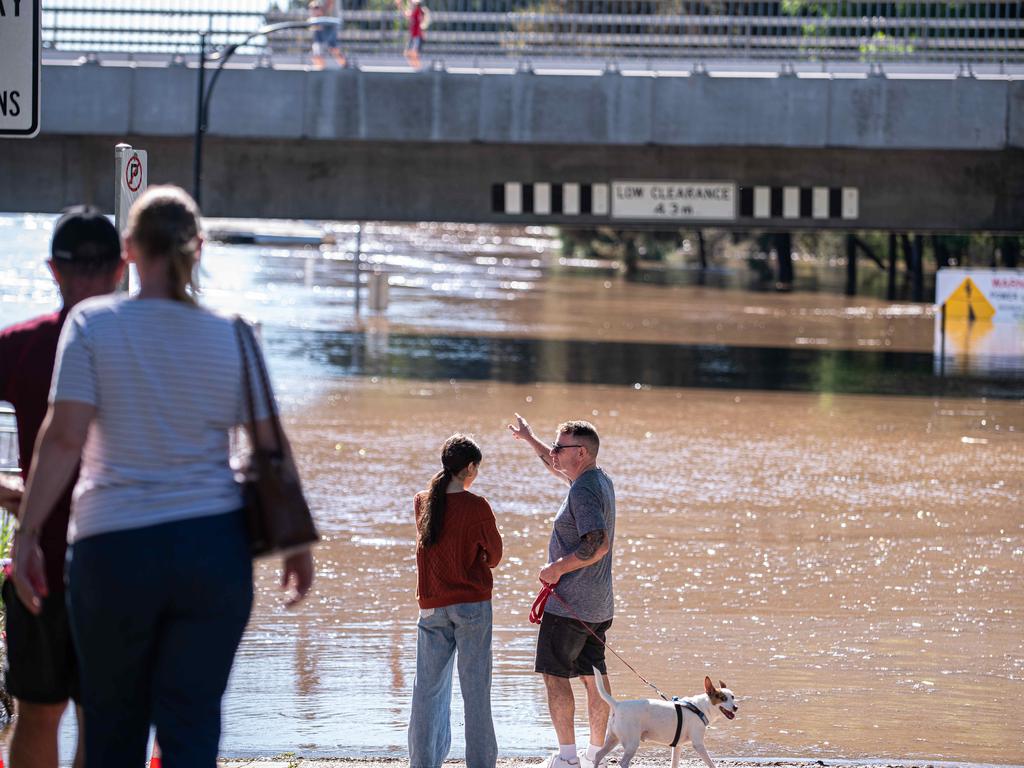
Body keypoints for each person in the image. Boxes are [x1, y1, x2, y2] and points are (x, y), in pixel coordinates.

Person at [10, 186, 315, 768]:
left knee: (111, 729)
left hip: (112, 549)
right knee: (192, 729)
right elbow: (272, 446)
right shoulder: (235, 332)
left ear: (128, 249)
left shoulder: (91, 325)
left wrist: (27, 536)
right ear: (197, 248)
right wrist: (297, 546)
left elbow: (64, 438)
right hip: (213, 550)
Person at [0, 205, 124, 768]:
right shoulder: (144, 347)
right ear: (121, 268)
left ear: (53, 269)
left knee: (37, 711)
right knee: (105, 718)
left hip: (39, 560)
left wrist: (8, 493)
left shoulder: (21, 344)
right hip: (123, 561)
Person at [507, 414, 616, 768]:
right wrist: (531, 439)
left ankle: (568, 758)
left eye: (559, 447)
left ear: (580, 452)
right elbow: (556, 468)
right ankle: (595, 755)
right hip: (598, 605)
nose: (554, 452)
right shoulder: (596, 480)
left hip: (570, 606)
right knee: (594, 678)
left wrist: (556, 569)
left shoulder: (583, 489)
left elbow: (596, 544)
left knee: (556, 677)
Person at [408, 434, 502, 768]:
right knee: (476, 692)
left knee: (427, 692)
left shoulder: (422, 501)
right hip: (472, 607)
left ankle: (422, 764)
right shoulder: (478, 506)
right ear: (471, 467)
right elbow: (494, 557)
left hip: (431, 606)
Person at [309, 0, 346, 70]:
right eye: (314, 9)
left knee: (334, 49)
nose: (315, 12)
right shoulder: (314, 21)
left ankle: (345, 64)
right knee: (316, 52)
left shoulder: (326, 15)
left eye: (317, 9)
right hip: (320, 37)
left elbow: (329, 3)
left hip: (329, 35)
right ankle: (321, 67)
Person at [395, 0, 427, 69]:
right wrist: (400, 5)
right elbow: (406, 14)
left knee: (413, 53)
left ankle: (417, 68)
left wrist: (400, 4)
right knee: (408, 53)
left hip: (417, 36)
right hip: (413, 36)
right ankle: (416, 67)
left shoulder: (418, 11)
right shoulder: (414, 12)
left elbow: (421, 19)